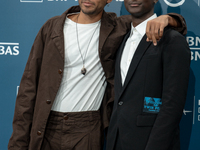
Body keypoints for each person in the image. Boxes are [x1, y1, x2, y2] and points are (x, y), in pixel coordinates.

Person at [8, 0, 187, 150]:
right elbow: (28, 89)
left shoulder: (117, 27)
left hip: (88, 128)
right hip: (46, 124)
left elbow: (146, 21)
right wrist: (18, 143)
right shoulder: (52, 27)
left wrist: (169, 19)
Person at [106, 0, 191, 150]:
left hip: (150, 142)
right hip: (117, 140)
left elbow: (172, 106)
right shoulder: (121, 37)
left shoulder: (172, 40)